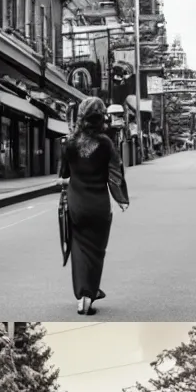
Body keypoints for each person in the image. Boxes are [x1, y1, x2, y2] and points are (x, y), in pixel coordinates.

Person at [56, 96, 129, 314]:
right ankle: (91, 292)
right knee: (97, 251)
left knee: (78, 248)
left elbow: (63, 175)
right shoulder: (106, 143)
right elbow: (116, 173)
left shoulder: (68, 143)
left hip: (77, 204)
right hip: (99, 205)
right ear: (101, 118)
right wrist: (121, 198)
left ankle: (82, 296)